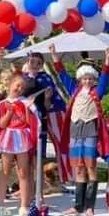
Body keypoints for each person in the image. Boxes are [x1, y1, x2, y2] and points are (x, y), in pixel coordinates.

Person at [51, 46, 109, 216]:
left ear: (94, 79)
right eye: (85, 78)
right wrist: (55, 56)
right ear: (80, 79)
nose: (87, 81)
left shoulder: (97, 92)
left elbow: (105, 77)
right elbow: (62, 75)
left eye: (90, 78)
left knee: (91, 166)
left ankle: (90, 206)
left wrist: (107, 60)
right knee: (79, 168)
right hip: (75, 129)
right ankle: (78, 206)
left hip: (90, 129)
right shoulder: (74, 90)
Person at [21, 52, 70, 185]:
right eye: (32, 62)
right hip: (25, 120)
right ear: (27, 62)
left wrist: (47, 98)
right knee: (26, 152)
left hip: (46, 115)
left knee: (53, 147)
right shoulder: (21, 79)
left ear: (42, 65)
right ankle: (27, 185)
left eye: (38, 63)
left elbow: (48, 103)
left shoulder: (45, 78)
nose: (35, 65)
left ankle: (63, 177)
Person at [0, 73, 40, 215]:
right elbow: (2, 124)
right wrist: (9, 112)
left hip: (22, 138)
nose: (20, 89)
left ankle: (24, 205)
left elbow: (28, 121)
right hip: (8, 137)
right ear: (10, 85)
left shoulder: (26, 102)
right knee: (5, 171)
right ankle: (1, 204)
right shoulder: (2, 104)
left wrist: (29, 108)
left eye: (22, 87)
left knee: (23, 172)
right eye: (18, 85)